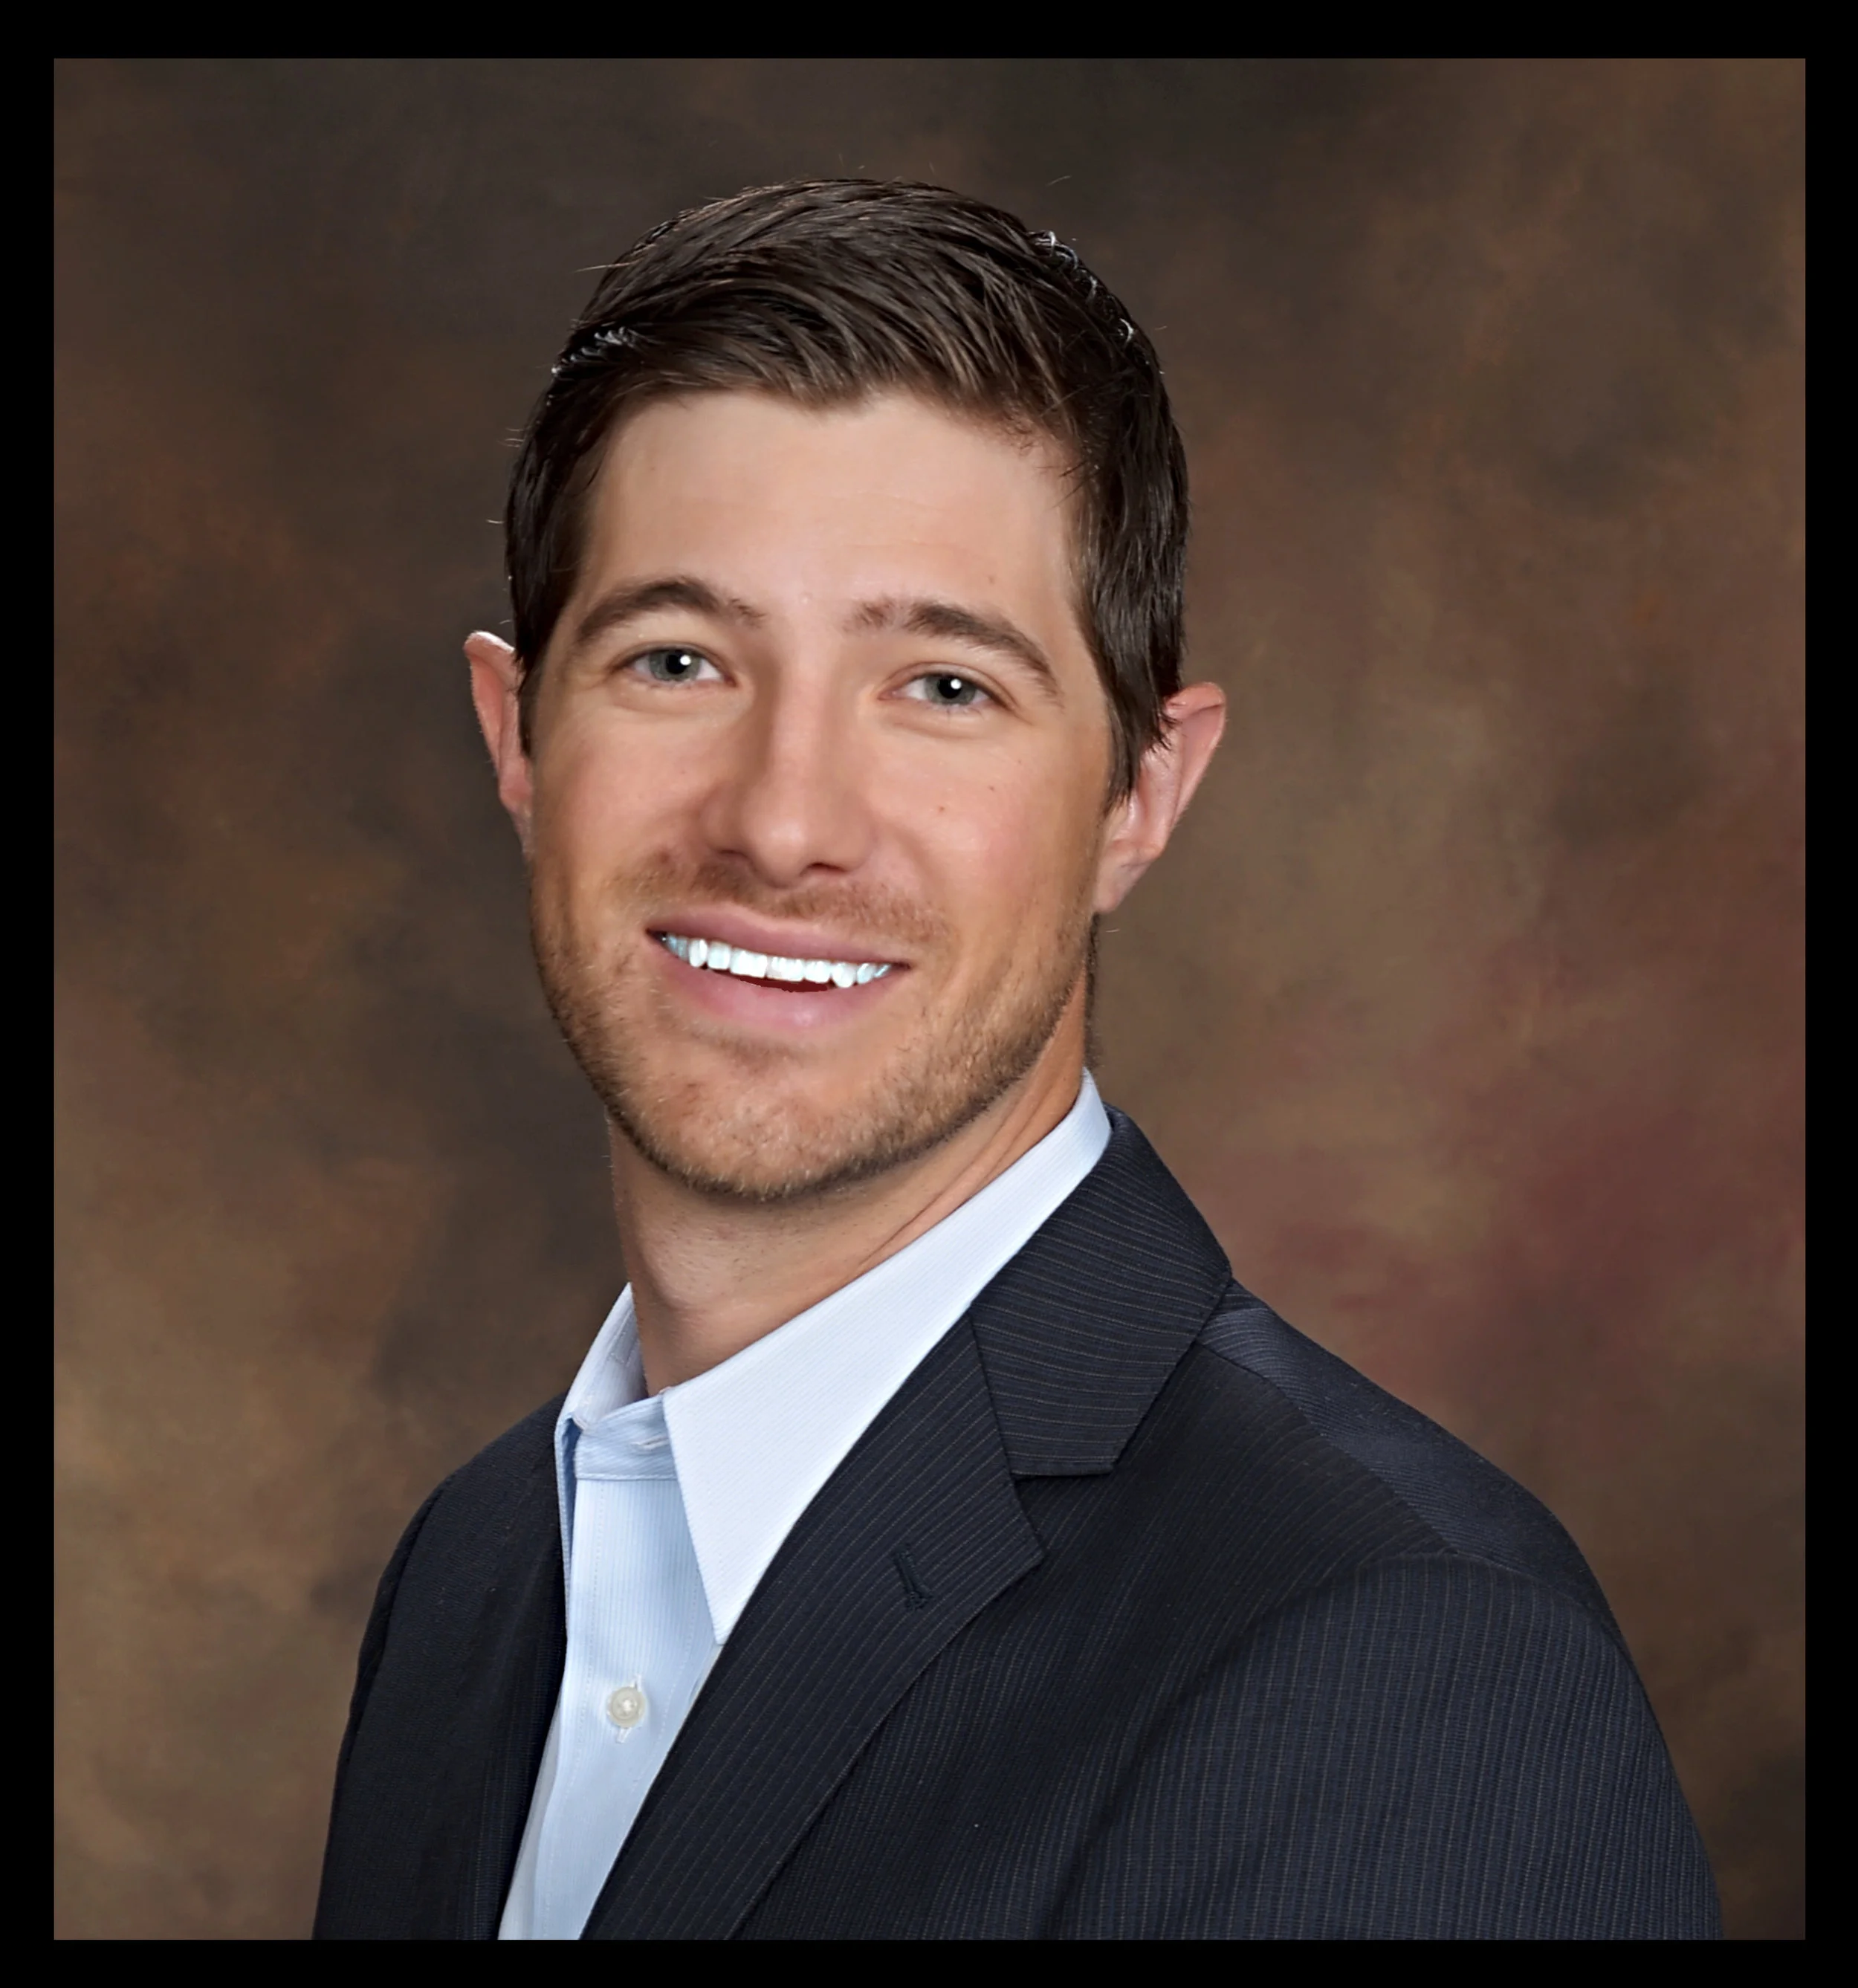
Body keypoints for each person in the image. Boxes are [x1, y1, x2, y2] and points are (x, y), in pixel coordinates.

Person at [313, 179, 1718, 1940]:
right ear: (516, 734)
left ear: (1140, 794)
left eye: (943, 687)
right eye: (676, 660)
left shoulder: (1400, 1663)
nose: (782, 820)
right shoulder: (474, 1575)